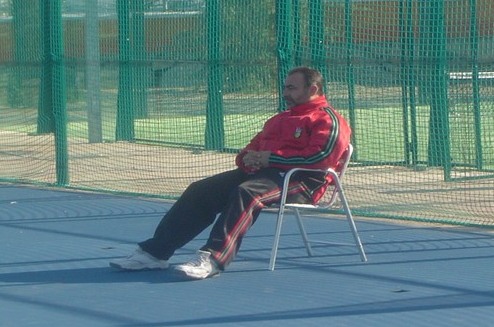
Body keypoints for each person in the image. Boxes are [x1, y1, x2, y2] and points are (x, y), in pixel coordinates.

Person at [109, 66, 351, 280]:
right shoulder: (279, 119)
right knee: (200, 190)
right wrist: (247, 159)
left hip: (302, 182)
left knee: (247, 193)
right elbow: (253, 146)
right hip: (264, 175)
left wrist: (272, 158)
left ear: (313, 89)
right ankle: (154, 254)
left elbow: (320, 159)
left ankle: (213, 259)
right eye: (285, 87)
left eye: (292, 88)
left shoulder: (329, 120)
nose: (285, 93)